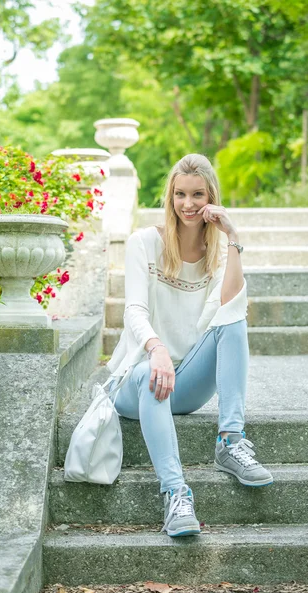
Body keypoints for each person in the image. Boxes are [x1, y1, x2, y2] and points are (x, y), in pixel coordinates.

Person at [107, 153, 273, 538]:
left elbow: (229, 308)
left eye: (198, 194)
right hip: (138, 379)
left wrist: (234, 239)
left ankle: (231, 441)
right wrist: (156, 348)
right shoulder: (144, 243)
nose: (188, 204)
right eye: (180, 194)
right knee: (151, 372)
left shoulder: (216, 254)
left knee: (234, 320)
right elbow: (134, 310)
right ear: (170, 197)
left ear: (211, 197)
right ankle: (175, 494)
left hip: (184, 384)